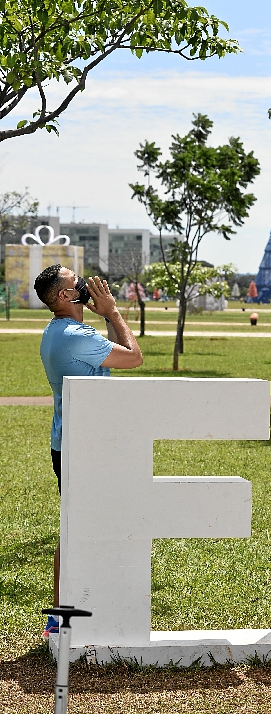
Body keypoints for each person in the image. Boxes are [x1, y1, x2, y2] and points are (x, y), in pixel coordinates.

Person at [34, 264, 143, 638]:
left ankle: (63, 616)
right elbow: (133, 357)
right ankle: (62, 620)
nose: (85, 283)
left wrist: (106, 317)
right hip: (82, 447)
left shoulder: (62, 331)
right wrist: (112, 311)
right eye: (76, 281)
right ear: (65, 296)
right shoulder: (75, 335)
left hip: (73, 443)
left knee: (77, 528)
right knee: (80, 530)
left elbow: (116, 354)